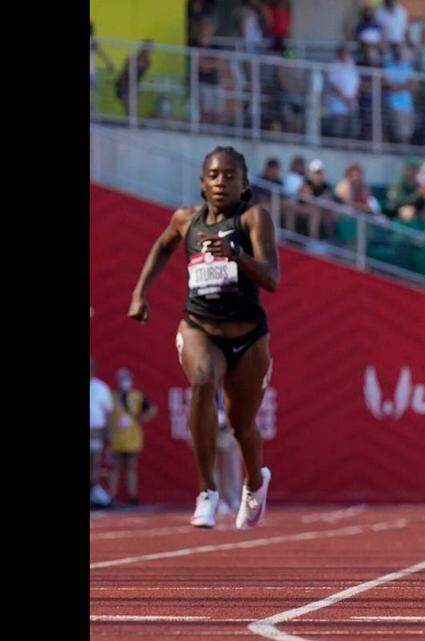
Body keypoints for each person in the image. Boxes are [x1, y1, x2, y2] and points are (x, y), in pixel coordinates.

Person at [128, 146, 277, 530]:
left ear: (244, 184)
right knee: (202, 382)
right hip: (200, 326)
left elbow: (271, 278)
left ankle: (255, 483)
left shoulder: (253, 218)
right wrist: (139, 293)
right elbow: (162, 247)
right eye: (214, 175)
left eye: (230, 176)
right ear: (201, 182)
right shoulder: (186, 220)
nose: (221, 182)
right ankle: (206, 492)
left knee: (243, 427)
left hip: (248, 337)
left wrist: (235, 254)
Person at [108, 367, 157, 506]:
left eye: (127, 379)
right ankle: (111, 497)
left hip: (132, 437)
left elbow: (152, 409)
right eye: (122, 379)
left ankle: (132, 496)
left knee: (131, 467)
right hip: (115, 437)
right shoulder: (111, 395)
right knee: (114, 467)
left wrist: (140, 418)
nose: (124, 382)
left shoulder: (136, 396)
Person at [90, 357, 115, 509]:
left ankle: (94, 496)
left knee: (94, 465)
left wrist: (109, 434)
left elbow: (109, 413)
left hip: (95, 432)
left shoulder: (101, 388)